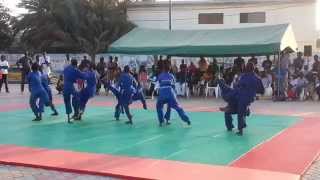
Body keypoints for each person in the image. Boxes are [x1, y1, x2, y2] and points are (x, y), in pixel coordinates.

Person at [218, 62, 262, 136]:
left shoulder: (251, 78)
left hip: (243, 97)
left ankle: (240, 128)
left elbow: (260, 90)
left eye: (247, 67)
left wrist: (253, 92)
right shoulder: (251, 77)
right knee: (231, 102)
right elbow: (261, 90)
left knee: (238, 108)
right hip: (239, 96)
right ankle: (232, 124)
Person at [156, 61, 191, 127]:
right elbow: (174, 85)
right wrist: (175, 95)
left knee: (159, 106)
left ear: (163, 69)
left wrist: (158, 92)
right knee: (177, 107)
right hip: (170, 93)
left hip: (162, 93)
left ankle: (161, 121)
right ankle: (187, 120)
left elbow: (156, 86)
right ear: (169, 70)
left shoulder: (160, 75)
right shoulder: (171, 76)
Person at [63, 58, 87, 123]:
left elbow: (66, 76)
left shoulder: (66, 68)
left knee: (67, 101)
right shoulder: (76, 70)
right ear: (76, 65)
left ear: (71, 63)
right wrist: (86, 72)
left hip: (65, 87)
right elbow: (83, 76)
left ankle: (69, 118)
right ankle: (77, 113)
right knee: (76, 99)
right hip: (71, 86)